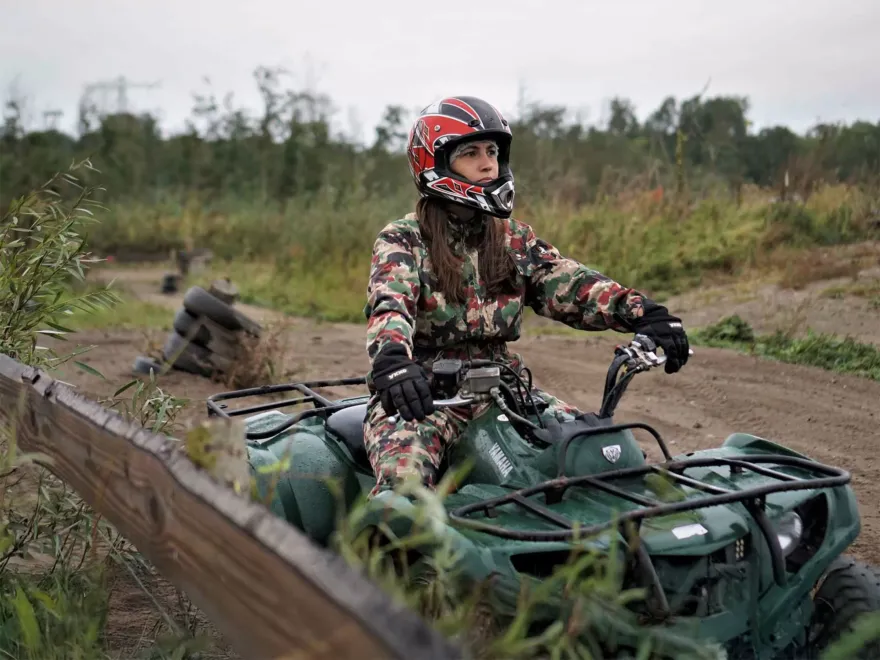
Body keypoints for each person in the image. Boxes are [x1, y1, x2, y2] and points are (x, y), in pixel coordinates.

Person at [362, 95, 689, 497]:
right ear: (437, 163)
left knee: (606, 457)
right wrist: (394, 363)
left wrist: (644, 313)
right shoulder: (403, 239)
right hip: (423, 398)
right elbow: (389, 307)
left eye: (493, 152)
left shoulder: (514, 238)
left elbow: (570, 284)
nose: (489, 164)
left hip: (506, 390)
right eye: (471, 153)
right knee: (404, 493)